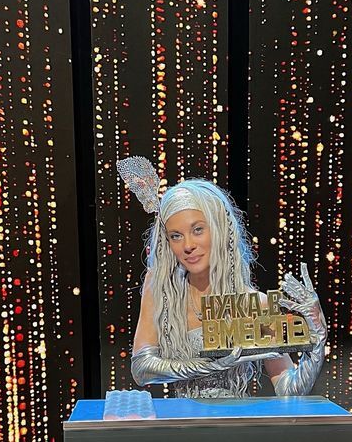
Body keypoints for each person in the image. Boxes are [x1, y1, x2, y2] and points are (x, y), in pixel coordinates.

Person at [117, 157, 327, 399]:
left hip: (235, 421)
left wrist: (317, 340)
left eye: (197, 230)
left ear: (219, 230)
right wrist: (208, 365)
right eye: (176, 236)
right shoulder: (161, 290)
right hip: (182, 420)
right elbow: (142, 370)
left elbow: (289, 390)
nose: (187, 245)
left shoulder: (255, 304)